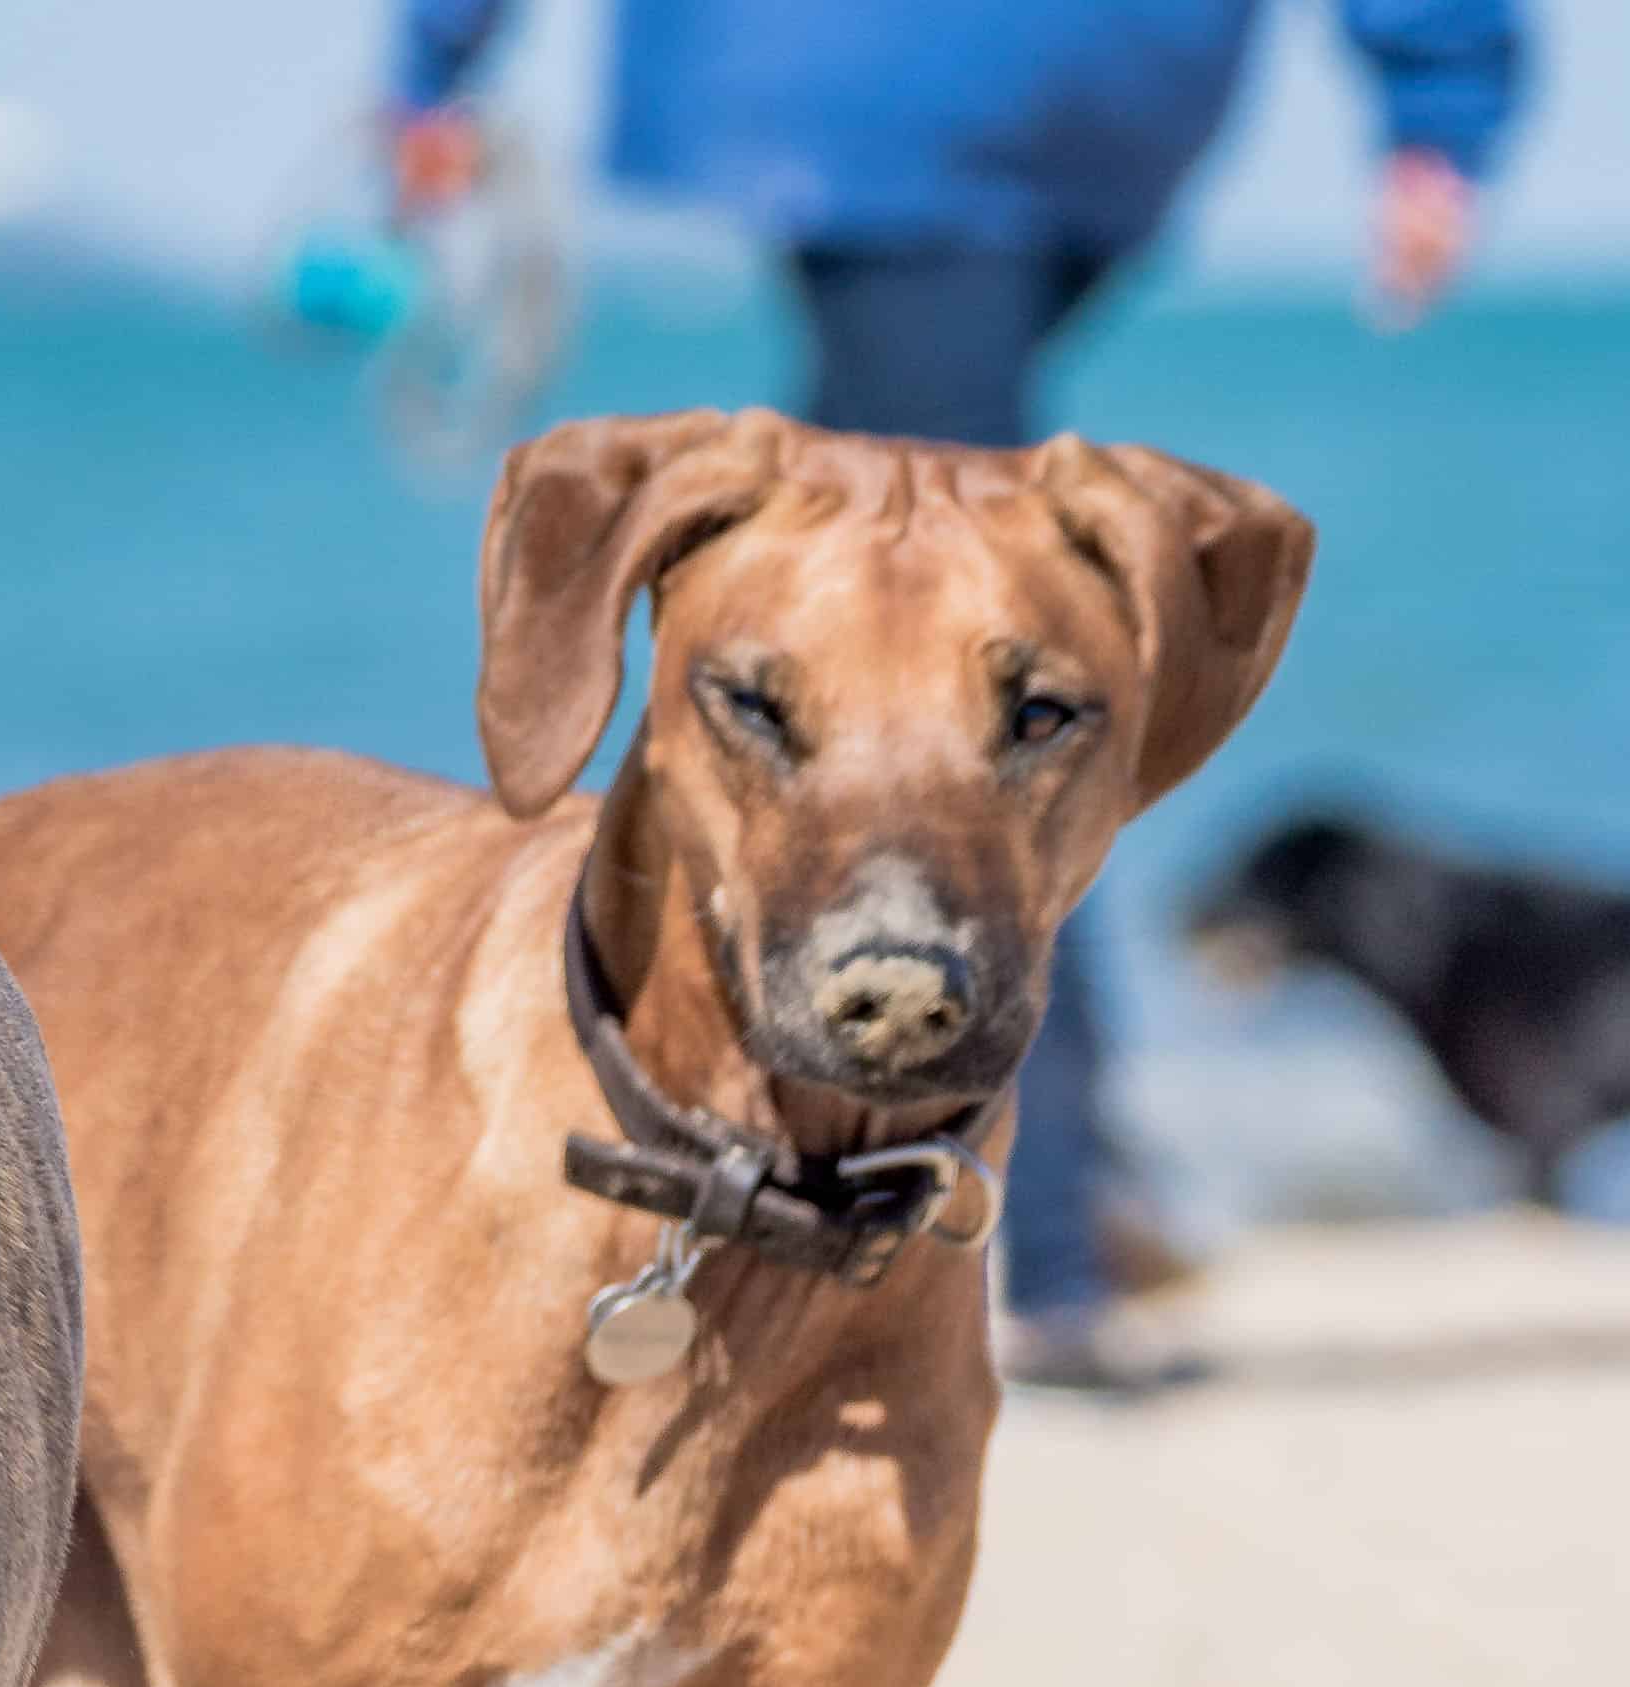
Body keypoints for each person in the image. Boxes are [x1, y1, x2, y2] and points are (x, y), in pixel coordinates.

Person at [390, 0, 1527, 1388]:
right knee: (892, 604)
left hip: (871, 96)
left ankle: (1043, 1232)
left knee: (955, 655)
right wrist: (1439, 101)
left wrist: (437, 63)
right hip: (1103, 107)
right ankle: (1061, 1193)